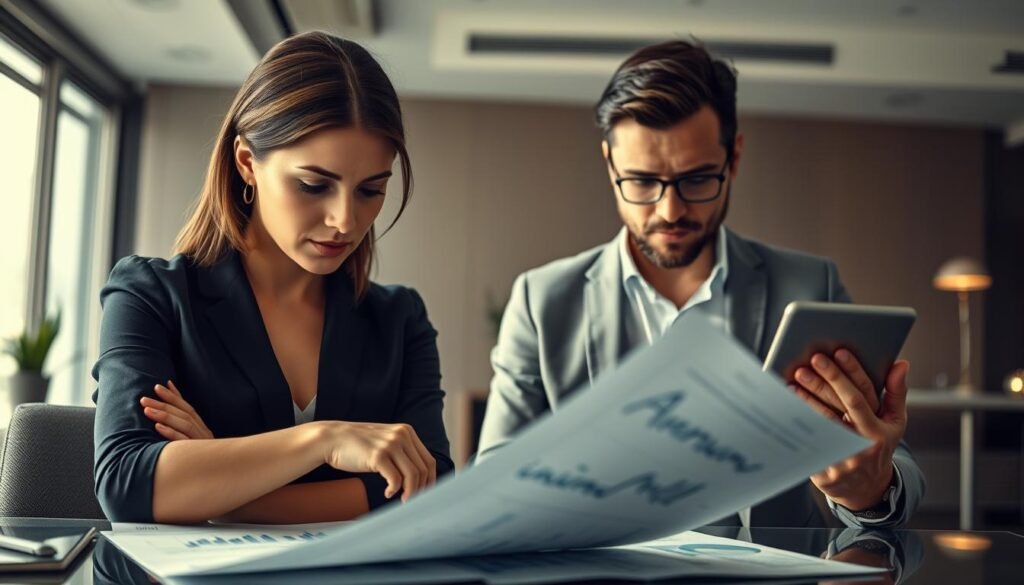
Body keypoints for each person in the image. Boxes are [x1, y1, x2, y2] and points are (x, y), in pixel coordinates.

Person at [477, 39, 924, 528]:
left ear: (734, 158)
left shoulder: (811, 286)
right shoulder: (541, 301)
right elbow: (493, 482)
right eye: (642, 181)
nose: (670, 211)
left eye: (696, 180)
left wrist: (870, 492)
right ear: (609, 165)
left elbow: (893, 461)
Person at [92, 31, 452, 524]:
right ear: (247, 163)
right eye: (313, 185)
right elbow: (128, 484)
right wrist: (325, 440)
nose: (345, 220)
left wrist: (219, 486)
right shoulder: (150, 296)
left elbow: (429, 485)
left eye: (370, 190)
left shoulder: (400, 320)